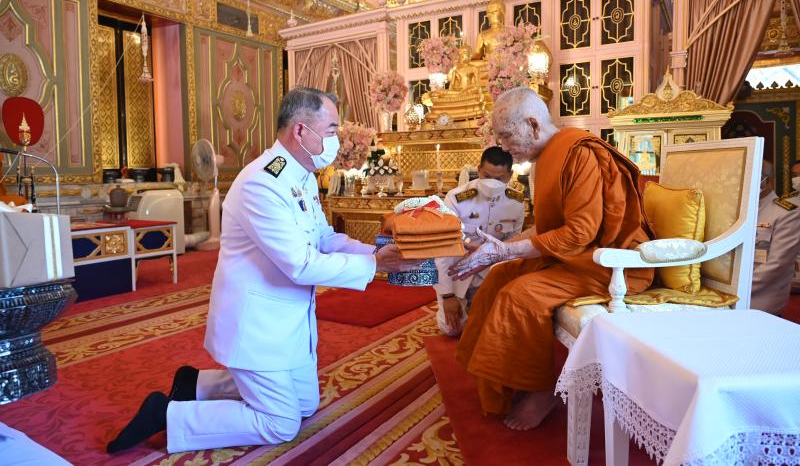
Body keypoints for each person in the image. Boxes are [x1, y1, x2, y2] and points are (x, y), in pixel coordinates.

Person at [107, 87, 421, 453]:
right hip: (255, 327)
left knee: (306, 406)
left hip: (287, 323)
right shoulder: (261, 183)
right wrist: (376, 264)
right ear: (300, 131)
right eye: (331, 130)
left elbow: (323, 239)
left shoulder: (302, 176)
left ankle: (197, 385)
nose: (336, 141)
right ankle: (167, 415)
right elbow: (301, 264)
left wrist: (376, 253)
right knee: (281, 424)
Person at [449, 86, 654, 430]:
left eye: (506, 135)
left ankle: (544, 389)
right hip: (576, 257)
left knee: (520, 295)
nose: (503, 147)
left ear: (532, 124)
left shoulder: (580, 153)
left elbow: (580, 233)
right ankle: (506, 381)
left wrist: (505, 251)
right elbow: (546, 229)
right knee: (500, 276)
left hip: (609, 263)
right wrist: (497, 250)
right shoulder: (544, 159)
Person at [434, 146, 525, 336]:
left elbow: (514, 247)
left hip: (491, 273)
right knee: (451, 329)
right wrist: (447, 295)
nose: (491, 183)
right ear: (479, 170)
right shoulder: (457, 198)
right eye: (486, 176)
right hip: (458, 271)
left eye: (499, 179)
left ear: (509, 176)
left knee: (491, 328)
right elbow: (443, 248)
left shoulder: (516, 202)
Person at [750, 160, 800, 315]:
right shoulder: (738, 209)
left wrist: (738, 286)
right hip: (731, 296)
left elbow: (777, 264)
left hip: (761, 301)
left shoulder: (787, 212)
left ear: (767, 180)